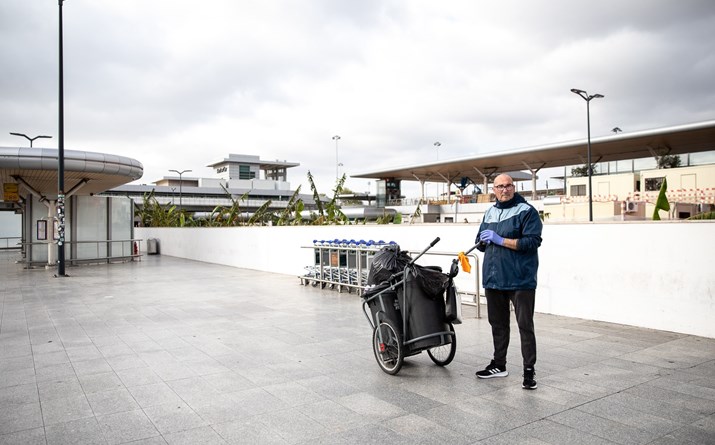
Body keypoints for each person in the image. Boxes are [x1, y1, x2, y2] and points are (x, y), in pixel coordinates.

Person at [475, 173, 543, 390]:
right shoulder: (490, 211)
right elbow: (480, 241)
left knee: (525, 326)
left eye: (508, 186)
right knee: (498, 325)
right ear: (493, 190)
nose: (504, 190)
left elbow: (531, 243)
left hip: (520, 279)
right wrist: (481, 242)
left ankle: (529, 371)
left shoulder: (527, 211)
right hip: (494, 279)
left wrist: (500, 240)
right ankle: (499, 365)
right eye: (500, 186)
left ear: (514, 187)